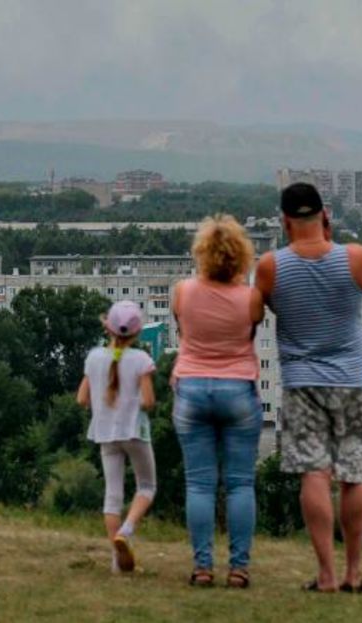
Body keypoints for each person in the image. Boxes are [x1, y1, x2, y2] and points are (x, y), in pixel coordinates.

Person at [254, 182, 362, 594]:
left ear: (284, 221)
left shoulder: (271, 266)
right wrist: (330, 238)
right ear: (325, 214)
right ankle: (354, 573)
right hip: (352, 381)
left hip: (302, 382)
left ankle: (325, 574)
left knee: (314, 473)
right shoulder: (355, 257)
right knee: (353, 474)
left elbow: (265, 306)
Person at [171, 214, 265, 588]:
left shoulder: (182, 292)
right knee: (241, 484)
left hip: (192, 389)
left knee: (199, 485)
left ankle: (202, 567)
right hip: (238, 389)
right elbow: (250, 333)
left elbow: (183, 330)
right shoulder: (251, 298)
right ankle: (239, 568)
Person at [76, 300, 157, 574]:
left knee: (113, 496)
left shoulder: (94, 357)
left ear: (107, 328)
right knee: (146, 487)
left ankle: (117, 562)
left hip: (105, 433)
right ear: (136, 333)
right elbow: (147, 401)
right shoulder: (142, 360)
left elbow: (81, 398)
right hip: (135, 431)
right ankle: (127, 529)